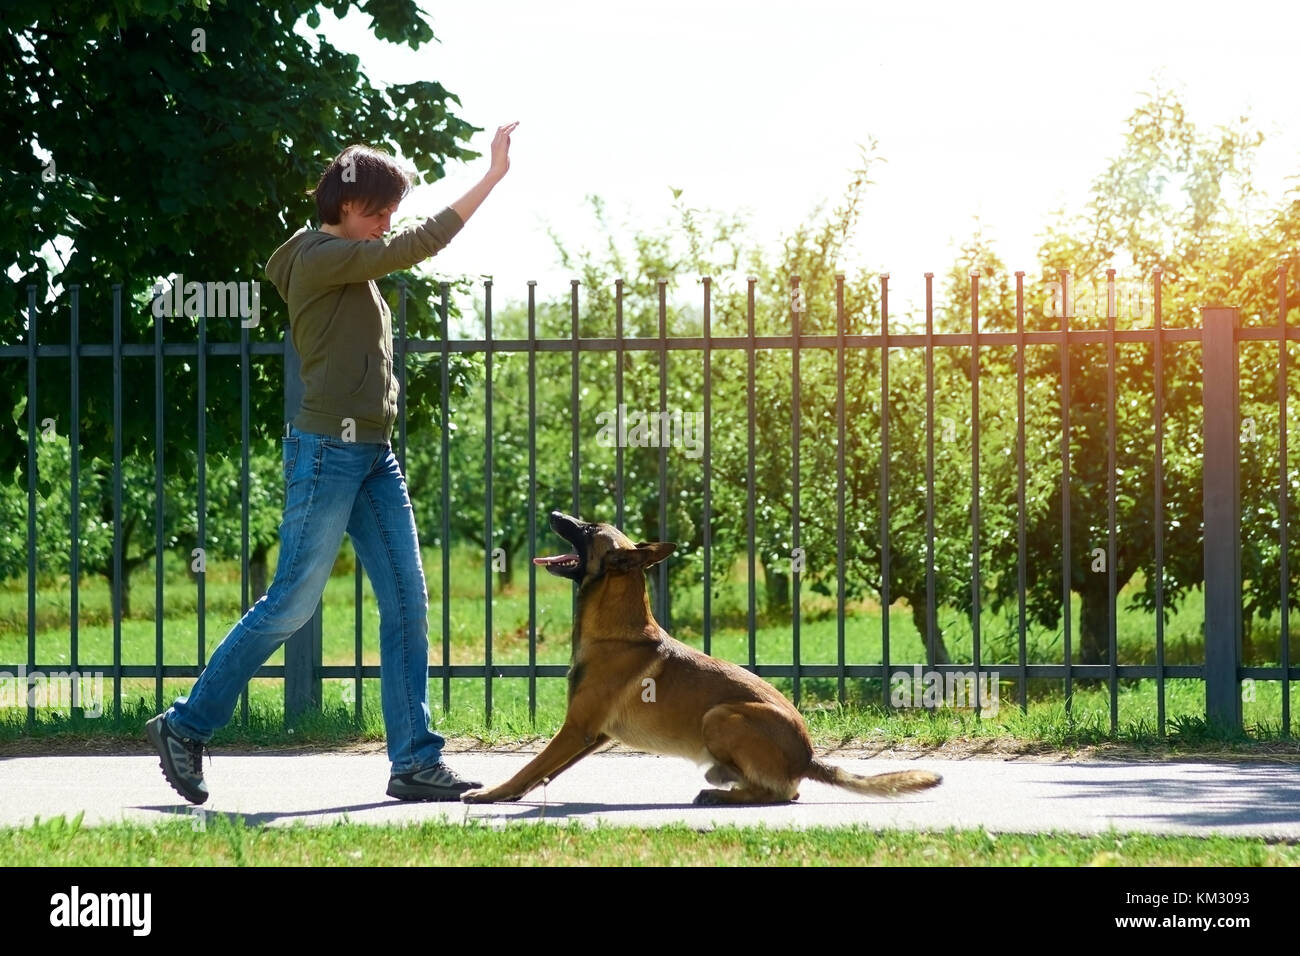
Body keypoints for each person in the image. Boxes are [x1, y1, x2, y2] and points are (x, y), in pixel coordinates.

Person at [146, 123, 519, 804]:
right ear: (343, 206)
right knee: (290, 602)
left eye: (390, 212)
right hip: (327, 452)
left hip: (374, 454)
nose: (387, 223)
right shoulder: (319, 256)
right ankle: (185, 724)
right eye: (378, 211)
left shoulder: (349, 259)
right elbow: (421, 243)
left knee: (407, 602)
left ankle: (414, 760)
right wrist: (491, 175)